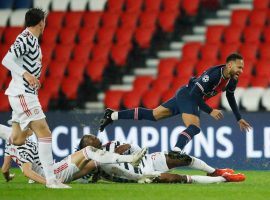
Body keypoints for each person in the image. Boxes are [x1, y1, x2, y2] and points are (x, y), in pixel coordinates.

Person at [99, 53, 252, 152]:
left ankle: (112, 115)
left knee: (154, 115)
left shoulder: (232, 80)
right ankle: (176, 151)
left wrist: (238, 118)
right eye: (239, 67)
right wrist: (210, 110)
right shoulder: (213, 74)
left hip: (188, 96)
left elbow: (230, 97)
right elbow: (195, 94)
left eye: (243, 68)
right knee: (194, 127)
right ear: (230, 65)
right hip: (188, 95)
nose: (241, 71)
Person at [1, 8, 67, 188]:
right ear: (40, 23)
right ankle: (51, 181)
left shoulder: (30, 39)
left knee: (18, 139)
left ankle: (51, 180)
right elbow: (6, 60)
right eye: (44, 21)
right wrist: (26, 75)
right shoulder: (26, 38)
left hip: (23, 94)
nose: (45, 24)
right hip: (23, 94)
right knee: (44, 132)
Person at [0, 125, 147, 185]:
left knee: (94, 164)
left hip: (53, 171)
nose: (30, 127)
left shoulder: (11, 144)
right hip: (54, 173)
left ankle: (139, 178)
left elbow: (5, 170)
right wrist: (49, 182)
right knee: (88, 151)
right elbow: (27, 172)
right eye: (26, 126)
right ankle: (131, 159)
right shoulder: (22, 146)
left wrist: (9, 178)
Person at [78, 139, 245, 184]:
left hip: (146, 160)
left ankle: (215, 171)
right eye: (94, 143)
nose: (98, 143)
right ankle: (224, 178)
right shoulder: (90, 163)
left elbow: (133, 147)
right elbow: (80, 175)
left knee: (181, 157)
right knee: (179, 179)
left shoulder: (111, 145)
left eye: (97, 141)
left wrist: (118, 153)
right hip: (141, 175)